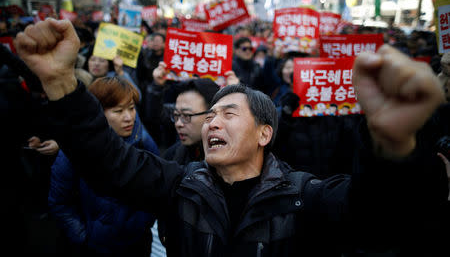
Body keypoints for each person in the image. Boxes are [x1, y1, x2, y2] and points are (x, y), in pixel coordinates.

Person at [15, 18, 448, 256]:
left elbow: (382, 217)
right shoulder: (179, 186)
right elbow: (109, 162)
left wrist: (394, 147)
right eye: (211, 114)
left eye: (228, 113)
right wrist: (60, 84)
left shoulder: (307, 197)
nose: (212, 123)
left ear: (265, 132)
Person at [48, 76, 159, 256]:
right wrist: (83, 238)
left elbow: (156, 191)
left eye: (131, 108)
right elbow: (60, 202)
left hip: (137, 243)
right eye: (118, 111)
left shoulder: (144, 142)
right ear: (97, 112)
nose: (128, 117)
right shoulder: (74, 149)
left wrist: (142, 224)